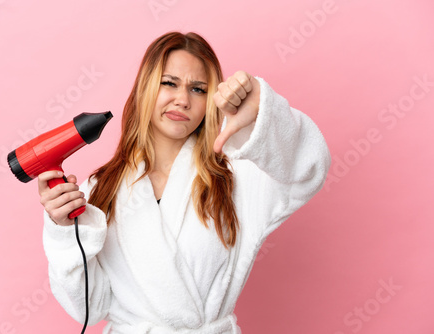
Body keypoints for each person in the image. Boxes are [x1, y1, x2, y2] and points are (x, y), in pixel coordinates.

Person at [38, 31, 331, 333]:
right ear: (145, 88)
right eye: (169, 83)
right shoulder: (98, 189)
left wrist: (264, 113)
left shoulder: (238, 175)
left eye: (198, 89)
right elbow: (90, 306)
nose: (183, 100)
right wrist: (62, 231)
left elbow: (308, 169)